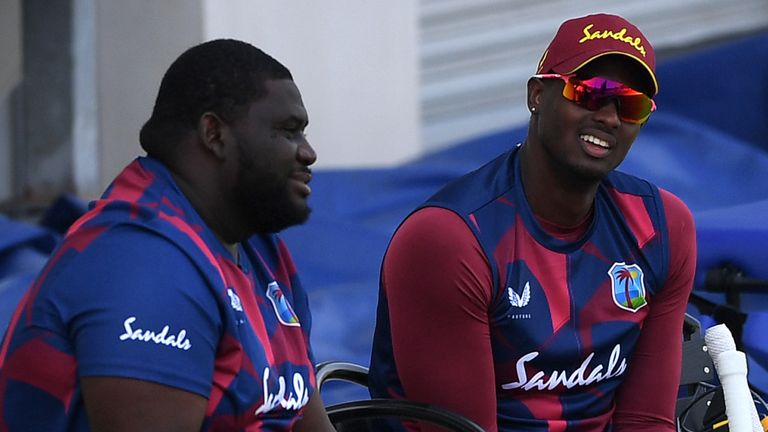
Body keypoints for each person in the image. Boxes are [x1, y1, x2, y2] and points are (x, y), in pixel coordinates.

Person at [369, 13, 696, 432]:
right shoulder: (450, 238)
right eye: (591, 93)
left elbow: (646, 422)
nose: (611, 118)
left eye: (630, 105)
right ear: (538, 94)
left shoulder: (662, 226)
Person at [0, 39, 335, 431]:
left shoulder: (259, 248)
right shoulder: (144, 266)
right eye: (289, 131)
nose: (308, 152)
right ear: (214, 134)